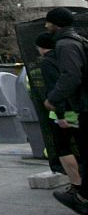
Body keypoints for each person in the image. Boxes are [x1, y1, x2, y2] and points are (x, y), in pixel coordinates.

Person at [43, 6, 88, 214]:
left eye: (48, 22)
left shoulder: (65, 45)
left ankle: (82, 196)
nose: (46, 25)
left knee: (79, 151)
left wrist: (53, 100)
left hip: (80, 107)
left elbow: (71, 76)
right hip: (80, 107)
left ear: (56, 23)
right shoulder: (78, 40)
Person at [35, 31, 82, 195]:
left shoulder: (47, 63)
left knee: (63, 148)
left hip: (64, 112)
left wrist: (60, 115)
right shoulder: (67, 57)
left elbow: (56, 87)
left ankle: (76, 185)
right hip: (79, 108)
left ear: (41, 47)